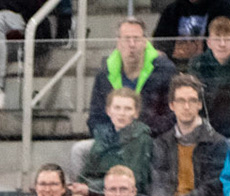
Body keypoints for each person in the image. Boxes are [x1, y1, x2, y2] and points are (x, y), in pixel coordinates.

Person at [73, 20, 176, 183]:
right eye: (127, 39)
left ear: (145, 41)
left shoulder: (164, 70)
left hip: (150, 139)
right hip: (112, 139)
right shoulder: (104, 73)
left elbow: (171, 115)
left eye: (137, 39)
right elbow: (95, 117)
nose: (132, 44)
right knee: (79, 150)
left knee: (157, 152)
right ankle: (85, 192)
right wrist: (111, 137)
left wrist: (142, 133)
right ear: (118, 42)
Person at [78, 88, 155, 196]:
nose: (121, 113)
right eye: (117, 108)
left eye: (128, 109)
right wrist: (80, 186)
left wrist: (90, 188)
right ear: (108, 111)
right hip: (97, 192)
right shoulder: (102, 136)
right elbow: (87, 171)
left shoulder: (142, 139)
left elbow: (135, 180)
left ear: (136, 113)